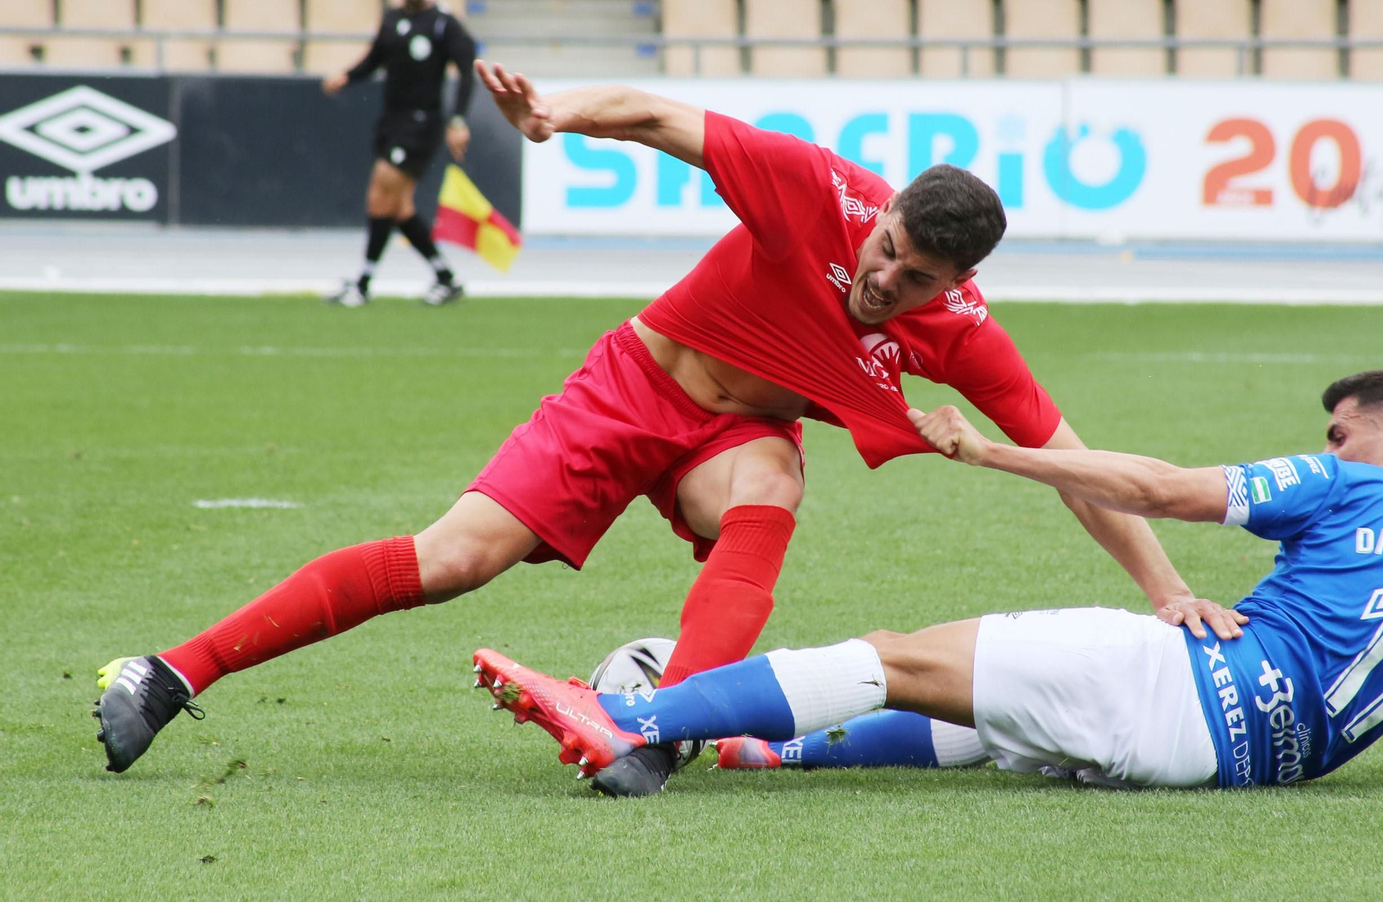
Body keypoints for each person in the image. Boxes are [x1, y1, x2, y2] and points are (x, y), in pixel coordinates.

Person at [94, 67, 1242, 796]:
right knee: (452, 560)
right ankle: (172, 669)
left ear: (957, 279)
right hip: (629, 385)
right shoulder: (818, 188)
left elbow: (1075, 465)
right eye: (886, 245)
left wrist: (1164, 585)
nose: (882, 277)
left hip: (731, 439)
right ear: (881, 209)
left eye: (914, 274)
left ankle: (652, 729)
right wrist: (553, 116)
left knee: (771, 490)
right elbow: (655, 115)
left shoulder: (965, 336)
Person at [477, 367, 1383, 790]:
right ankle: (757, 745)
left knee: (894, 657)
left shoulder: (1358, 486)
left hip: (1189, 684)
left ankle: (634, 715)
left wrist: (996, 452)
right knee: (986, 714)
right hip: (1236, 765)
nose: (1328, 442)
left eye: (1339, 430)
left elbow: (1158, 486)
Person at [322, 0, 474, 308]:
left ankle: (361, 284)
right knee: (399, 206)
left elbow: (468, 71)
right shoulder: (392, 18)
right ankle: (445, 278)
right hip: (391, 121)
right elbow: (374, 60)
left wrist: (458, 120)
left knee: (379, 194)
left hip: (421, 124)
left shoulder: (443, 23)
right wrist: (347, 76)